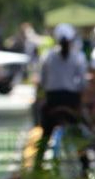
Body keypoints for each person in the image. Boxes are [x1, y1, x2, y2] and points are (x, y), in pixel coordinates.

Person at [34, 23, 89, 170]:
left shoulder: (47, 56)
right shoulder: (79, 56)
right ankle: (85, 165)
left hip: (52, 100)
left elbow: (43, 81)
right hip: (71, 102)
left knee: (45, 134)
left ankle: (37, 166)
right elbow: (82, 83)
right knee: (79, 133)